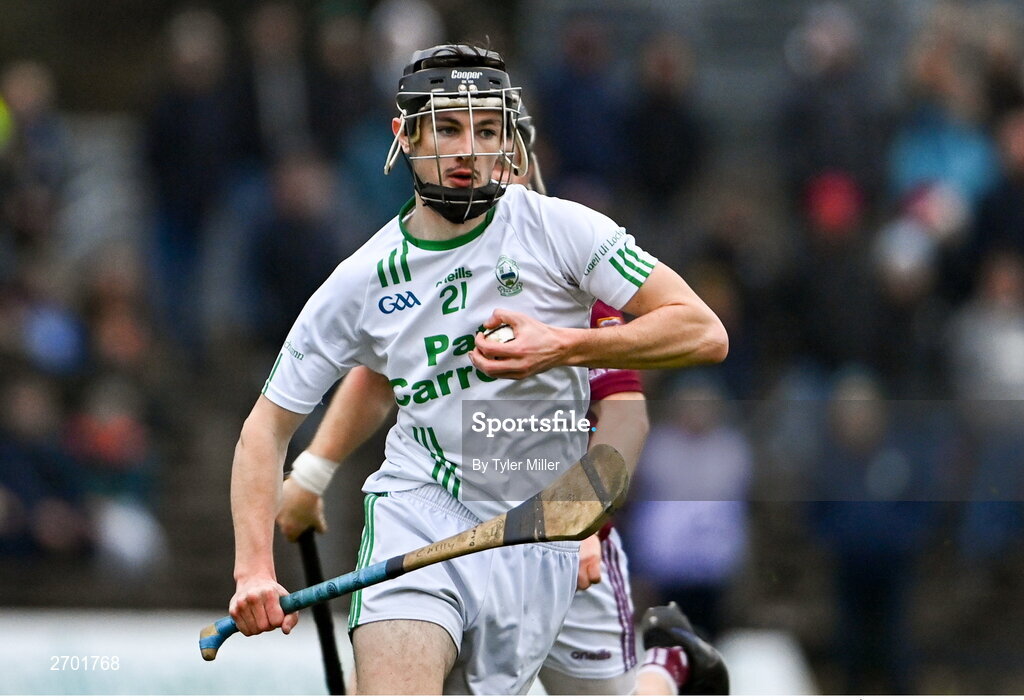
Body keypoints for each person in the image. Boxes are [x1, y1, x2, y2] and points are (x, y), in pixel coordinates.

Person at [227, 43, 727, 694]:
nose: (469, 149)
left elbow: (699, 335)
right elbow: (276, 423)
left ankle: (668, 663)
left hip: (551, 527)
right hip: (422, 514)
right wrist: (256, 565)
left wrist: (560, 349)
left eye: (487, 130)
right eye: (449, 128)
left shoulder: (567, 237)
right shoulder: (363, 281)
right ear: (405, 137)